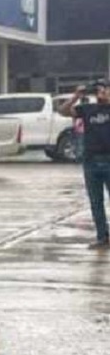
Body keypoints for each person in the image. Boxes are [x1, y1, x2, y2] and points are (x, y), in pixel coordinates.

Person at [61, 80, 110, 249]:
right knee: (96, 202)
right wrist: (76, 96)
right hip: (91, 161)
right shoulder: (88, 109)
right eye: (100, 89)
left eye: (105, 88)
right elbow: (63, 111)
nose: (101, 91)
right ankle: (102, 237)